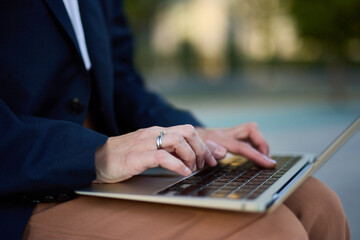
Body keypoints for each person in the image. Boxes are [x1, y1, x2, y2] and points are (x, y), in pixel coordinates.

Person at [0, 0, 350, 239]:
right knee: (268, 231)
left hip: (107, 168)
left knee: (317, 203)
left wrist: (190, 132)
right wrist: (98, 154)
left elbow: (120, 80)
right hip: (22, 184)